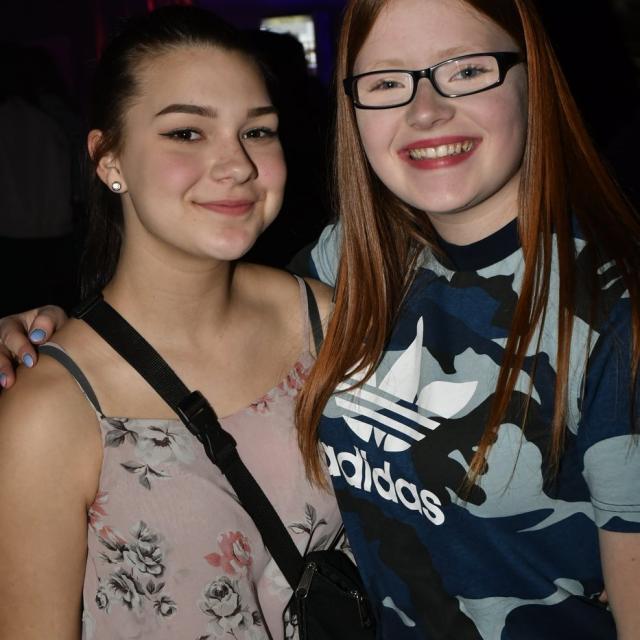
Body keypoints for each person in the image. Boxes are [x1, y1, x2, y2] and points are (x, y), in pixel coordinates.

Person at [3, 0, 640, 638]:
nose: (426, 110)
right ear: (108, 159)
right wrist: (45, 347)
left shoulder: (603, 315)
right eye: (387, 82)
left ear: (535, 78)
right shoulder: (356, 269)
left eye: (468, 70)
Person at [0, 6, 341, 640]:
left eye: (258, 131)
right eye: (187, 132)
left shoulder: (327, 321)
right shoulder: (50, 409)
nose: (237, 164)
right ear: (109, 160)